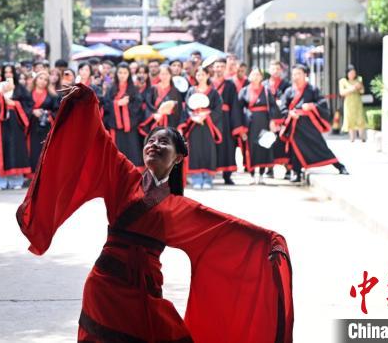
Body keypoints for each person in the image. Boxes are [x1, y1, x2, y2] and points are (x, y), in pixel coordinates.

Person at [16, 84, 293, 343]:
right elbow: (98, 140)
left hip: (147, 292)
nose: (155, 146)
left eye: (164, 143)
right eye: (151, 141)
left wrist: (268, 240)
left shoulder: (179, 207)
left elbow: (226, 228)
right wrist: (87, 101)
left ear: (178, 158)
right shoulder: (123, 176)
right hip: (106, 287)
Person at [280, 64, 350, 182]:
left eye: (299, 74)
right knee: (296, 149)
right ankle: (296, 173)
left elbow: (322, 103)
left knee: (320, 145)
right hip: (295, 125)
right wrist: (290, 113)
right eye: (294, 74)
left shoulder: (312, 90)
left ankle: (339, 166)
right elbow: (283, 108)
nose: (296, 76)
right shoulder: (288, 91)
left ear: (305, 75)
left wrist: (312, 106)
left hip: (309, 124)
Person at [0, 65, 33, 190]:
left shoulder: (20, 89)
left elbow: (29, 104)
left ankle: (15, 181)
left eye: (10, 72)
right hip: (0, 122)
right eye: (5, 72)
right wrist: (1, 96)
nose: (8, 74)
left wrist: (15, 104)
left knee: (15, 149)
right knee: (0, 150)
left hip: (16, 123)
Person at [234, 68, 283, 184]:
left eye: (258, 75)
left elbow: (273, 107)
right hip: (249, 123)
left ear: (261, 77)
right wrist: (241, 127)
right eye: (253, 74)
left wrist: (273, 121)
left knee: (263, 146)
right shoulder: (244, 90)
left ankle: (261, 174)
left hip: (264, 122)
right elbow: (238, 109)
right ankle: (252, 175)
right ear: (249, 76)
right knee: (250, 148)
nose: (255, 77)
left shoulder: (266, 91)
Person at [179, 67, 222, 190]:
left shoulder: (213, 92)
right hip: (194, 124)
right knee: (195, 150)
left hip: (208, 124)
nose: (200, 76)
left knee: (208, 149)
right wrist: (193, 117)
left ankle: (208, 178)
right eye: (198, 74)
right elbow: (186, 108)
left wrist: (206, 115)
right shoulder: (191, 90)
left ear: (208, 75)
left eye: (203, 74)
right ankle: (196, 178)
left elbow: (218, 109)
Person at [104, 63, 144, 168]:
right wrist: (117, 104)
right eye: (120, 72)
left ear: (129, 74)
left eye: (125, 73)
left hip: (130, 127)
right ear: (116, 74)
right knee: (116, 153)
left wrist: (127, 106)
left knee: (132, 152)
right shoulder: (111, 89)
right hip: (115, 128)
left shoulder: (134, 89)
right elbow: (106, 105)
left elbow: (138, 107)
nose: (122, 75)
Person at [208, 57, 239, 185]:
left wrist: (235, 125)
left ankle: (227, 175)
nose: (219, 68)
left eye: (221, 66)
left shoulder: (230, 84)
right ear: (213, 68)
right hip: (210, 118)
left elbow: (235, 105)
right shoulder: (208, 82)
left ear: (225, 68)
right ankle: (209, 173)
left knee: (227, 146)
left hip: (225, 119)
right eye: (217, 66)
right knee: (209, 145)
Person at [28, 70, 60, 175]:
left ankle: (45, 173)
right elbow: (23, 107)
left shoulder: (53, 96)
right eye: (40, 78)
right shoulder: (28, 94)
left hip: (46, 124)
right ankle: (32, 173)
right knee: (32, 148)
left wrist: (48, 115)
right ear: (36, 79)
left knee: (45, 148)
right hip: (31, 125)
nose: (43, 81)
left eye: (45, 80)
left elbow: (57, 110)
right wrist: (32, 111)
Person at [264, 60, 292, 179]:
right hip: (267, 118)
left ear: (281, 70)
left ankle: (287, 169)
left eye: (278, 69)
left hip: (282, 117)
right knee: (268, 142)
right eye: (273, 68)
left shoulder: (286, 84)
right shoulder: (264, 84)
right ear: (269, 70)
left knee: (283, 143)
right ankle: (269, 168)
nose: (275, 71)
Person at [139, 64, 183, 136]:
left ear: (170, 75)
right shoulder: (153, 89)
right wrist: (154, 115)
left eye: (167, 74)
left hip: (170, 124)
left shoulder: (175, 91)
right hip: (156, 122)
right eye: (162, 74)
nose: (164, 76)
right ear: (159, 75)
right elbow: (148, 105)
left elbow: (179, 110)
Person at [339, 65, 367, 142]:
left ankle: (362, 137)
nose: (352, 75)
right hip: (348, 103)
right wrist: (354, 88)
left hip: (357, 101)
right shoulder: (343, 81)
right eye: (351, 73)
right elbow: (342, 93)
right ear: (347, 73)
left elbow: (362, 91)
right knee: (350, 119)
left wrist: (360, 86)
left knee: (360, 118)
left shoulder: (359, 80)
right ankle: (352, 138)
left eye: (354, 73)